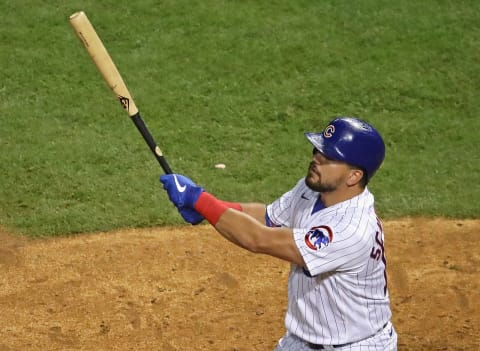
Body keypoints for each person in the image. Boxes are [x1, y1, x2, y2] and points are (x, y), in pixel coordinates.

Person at [160, 116, 397, 350]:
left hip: (355, 346)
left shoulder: (350, 229)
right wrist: (211, 208)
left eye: (329, 157)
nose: (316, 159)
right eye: (317, 151)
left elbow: (260, 239)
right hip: (301, 341)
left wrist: (197, 198)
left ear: (354, 176)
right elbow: (268, 218)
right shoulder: (312, 189)